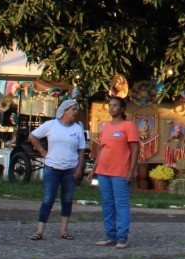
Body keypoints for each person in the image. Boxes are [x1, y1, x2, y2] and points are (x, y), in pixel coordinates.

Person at [28, 99, 87, 242]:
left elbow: (81, 150)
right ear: (65, 110)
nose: (75, 112)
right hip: (52, 167)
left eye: (76, 109)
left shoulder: (77, 128)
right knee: (48, 198)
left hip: (70, 169)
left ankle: (63, 230)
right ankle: (40, 231)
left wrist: (79, 167)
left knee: (67, 199)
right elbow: (33, 136)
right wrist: (42, 151)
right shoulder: (51, 125)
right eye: (73, 109)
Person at [91, 96, 140, 249]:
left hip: (120, 171)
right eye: (110, 105)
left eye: (115, 105)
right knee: (107, 204)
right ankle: (110, 235)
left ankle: (122, 237)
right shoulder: (105, 126)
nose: (111, 108)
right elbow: (101, 149)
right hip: (103, 171)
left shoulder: (128, 126)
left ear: (122, 109)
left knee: (121, 204)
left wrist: (132, 170)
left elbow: (135, 148)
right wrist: (93, 169)